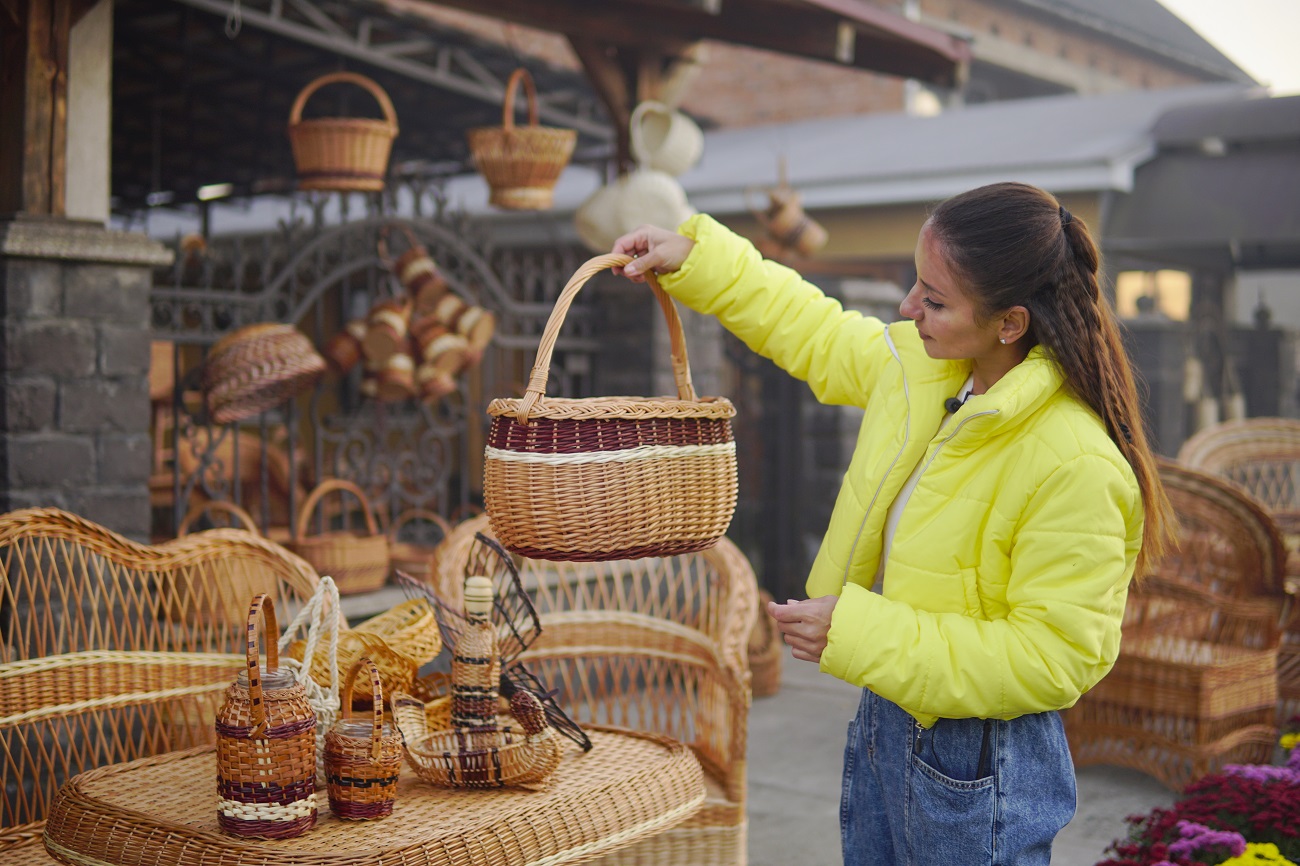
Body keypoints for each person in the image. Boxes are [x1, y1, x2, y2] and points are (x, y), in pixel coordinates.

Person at [612, 181, 1174, 866]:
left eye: (934, 300)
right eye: (917, 285)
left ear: (1010, 323)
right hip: (889, 714)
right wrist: (696, 259)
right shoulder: (927, 372)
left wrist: (858, 633)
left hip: (981, 760)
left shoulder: (1077, 462)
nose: (910, 308)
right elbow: (812, 329)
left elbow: (1054, 658)